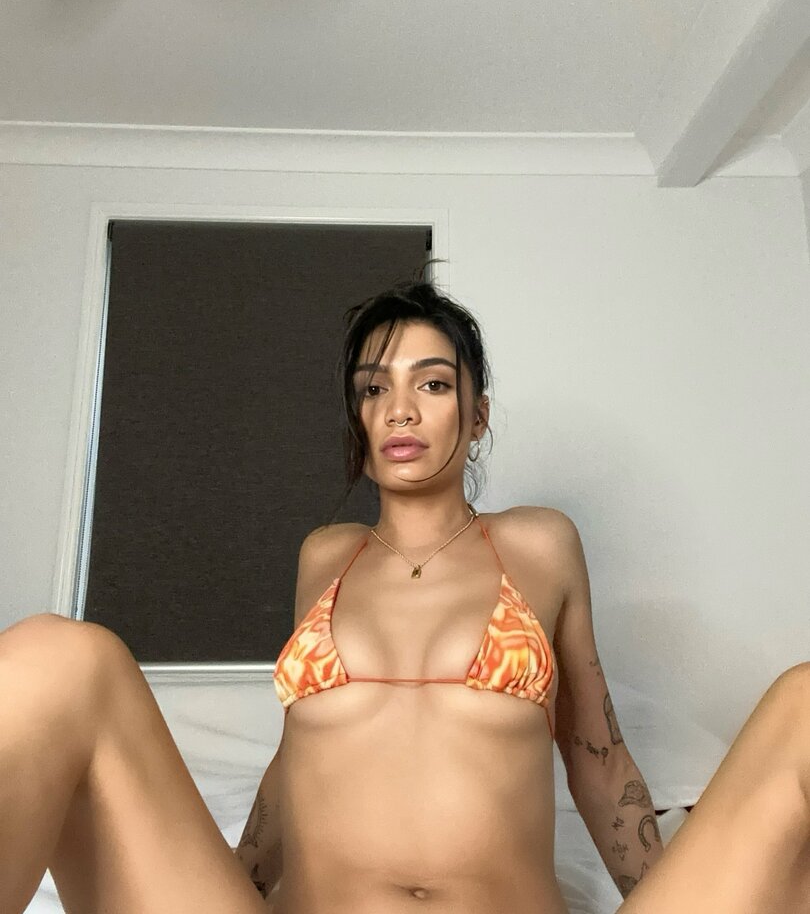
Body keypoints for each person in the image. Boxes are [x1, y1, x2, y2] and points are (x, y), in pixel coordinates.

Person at [0, 272, 807, 914]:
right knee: (58, 657)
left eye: (433, 384)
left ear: (478, 414)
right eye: (373, 389)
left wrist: (666, 891)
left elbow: (596, 757)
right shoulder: (325, 556)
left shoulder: (541, 544)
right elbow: (301, 755)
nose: (400, 411)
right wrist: (231, 879)